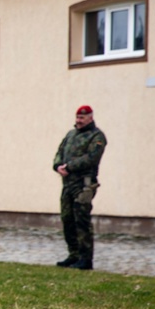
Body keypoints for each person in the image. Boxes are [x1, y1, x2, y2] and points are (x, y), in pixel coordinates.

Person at [53, 105, 107, 270]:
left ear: (90, 118)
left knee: (81, 220)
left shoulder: (97, 136)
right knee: (67, 219)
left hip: (84, 184)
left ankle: (86, 258)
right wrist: (57, 166)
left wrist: (69, 166)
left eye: (82, 118)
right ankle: (73, 254)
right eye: (77, 117)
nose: (78, 120)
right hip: (68, 184)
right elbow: (60, 151)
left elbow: (91, 158)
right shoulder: (71, 134)